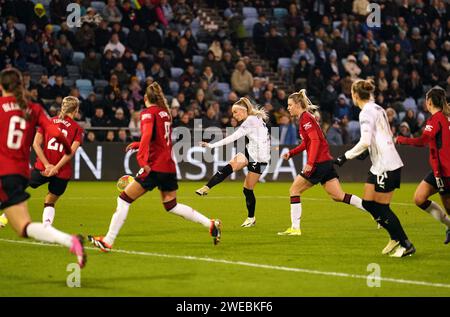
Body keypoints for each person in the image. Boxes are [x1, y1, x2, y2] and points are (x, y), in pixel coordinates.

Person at [88, 82, 222, 251]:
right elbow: (158, 139)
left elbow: (146, 137)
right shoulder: (165, 113)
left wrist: (142, 160)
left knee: (123, 199)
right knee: (171, 205)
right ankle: (210, 223)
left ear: (145, 98)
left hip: (154, 166)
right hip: (168, 166)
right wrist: (138, 144)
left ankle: (108, 241)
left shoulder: (148, 113)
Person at [0, 68, 86, 268]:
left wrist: (47, 164)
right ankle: (69, 241)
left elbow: (38, 142)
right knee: (24, 227)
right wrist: (57, 160)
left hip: (6, 170)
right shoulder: (34, 109)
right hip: (18, 172)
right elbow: (58, 136)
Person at [334, 79, 415, 257]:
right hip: (380, 163)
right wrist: (368, 150)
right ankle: (395, 237)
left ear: (354, 95)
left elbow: (364, 141)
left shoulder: (366, 112)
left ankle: (405, 243)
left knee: (382, 208)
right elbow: (381, 135)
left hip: (386, 164)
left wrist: (345, 157)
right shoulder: (378, 108)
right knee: (368, 203)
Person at [278, 89, 368, 236]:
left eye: (290, 105)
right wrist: (292, 153)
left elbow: (315, 141)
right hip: (326, 162)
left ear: (298, 105)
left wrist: (311, 163)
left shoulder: (306, 118)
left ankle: (295, 228)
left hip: (319, 163)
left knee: (294, 190)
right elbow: (307, 143)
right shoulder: (304, 118)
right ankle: (375, 211)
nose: (288, 108)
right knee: (338, 196)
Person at [196, 97, 271, 228]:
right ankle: (207, 187)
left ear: (244, 110)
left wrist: (211, 146)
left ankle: (251, 218)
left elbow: (232, 137)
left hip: (260, 159)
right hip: (251, 151)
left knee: (247, 189)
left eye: (235, 112)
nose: (234, 115)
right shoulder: (255, 118)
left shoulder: (250, 121)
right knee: (229, 167)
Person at [396, 86, 450, 244]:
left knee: (446, 205)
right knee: (419, 198)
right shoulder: (446, 117)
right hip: (439, 170)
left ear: (430, 102)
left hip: (444, 171)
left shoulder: (436, 119)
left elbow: (423, 141)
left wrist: (402, 140)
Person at [30, 96, 83, 226]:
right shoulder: (77, 128)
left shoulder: (48, 122)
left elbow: (36, 144)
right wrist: (56, 168)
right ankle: (47, 227)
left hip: (42, 167)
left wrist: (48, 165)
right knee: (50, 201)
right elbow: (70, 152)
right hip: (62, 171)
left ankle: (5, 216)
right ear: (75, 110)